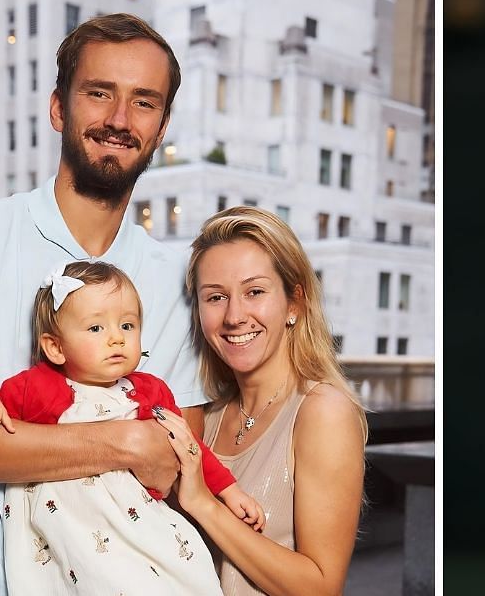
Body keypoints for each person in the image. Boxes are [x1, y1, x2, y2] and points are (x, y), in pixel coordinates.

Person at [0, 14, 200, 594]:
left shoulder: (176, 280)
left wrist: (12, 445)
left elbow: (171, 469)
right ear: (59, 108)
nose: (118, 119)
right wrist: (122, 441)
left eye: (144, 102)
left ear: (161, 126)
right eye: (99, 93)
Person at [0, 261, 264, 594]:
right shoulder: (38, 386)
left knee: (184, 572)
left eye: (127, 325)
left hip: (138, 521)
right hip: (72, 526)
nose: (116, 339)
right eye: (96, 329)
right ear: (56, 347)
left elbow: (189, 444)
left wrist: (228, 491)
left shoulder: (150, 391)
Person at [153, 207, 368, 595]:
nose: (235, 316)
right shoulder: (208, 416)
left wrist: (206, 505)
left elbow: (321, 587)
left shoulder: (323, 412)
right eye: (216, 297)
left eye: (254, 292)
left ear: (294, 303)